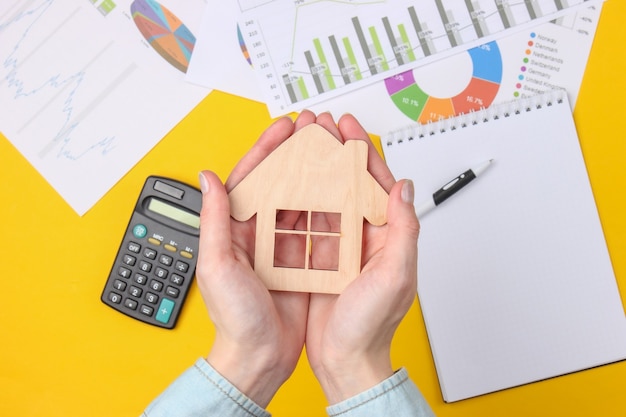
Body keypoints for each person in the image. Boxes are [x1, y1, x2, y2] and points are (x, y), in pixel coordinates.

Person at [142, 111, 435, 417]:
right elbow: (378, 213)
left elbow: (377, 213)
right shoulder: (318, 169)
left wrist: (251, 356)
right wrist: (353, 364)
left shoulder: (336, 168)